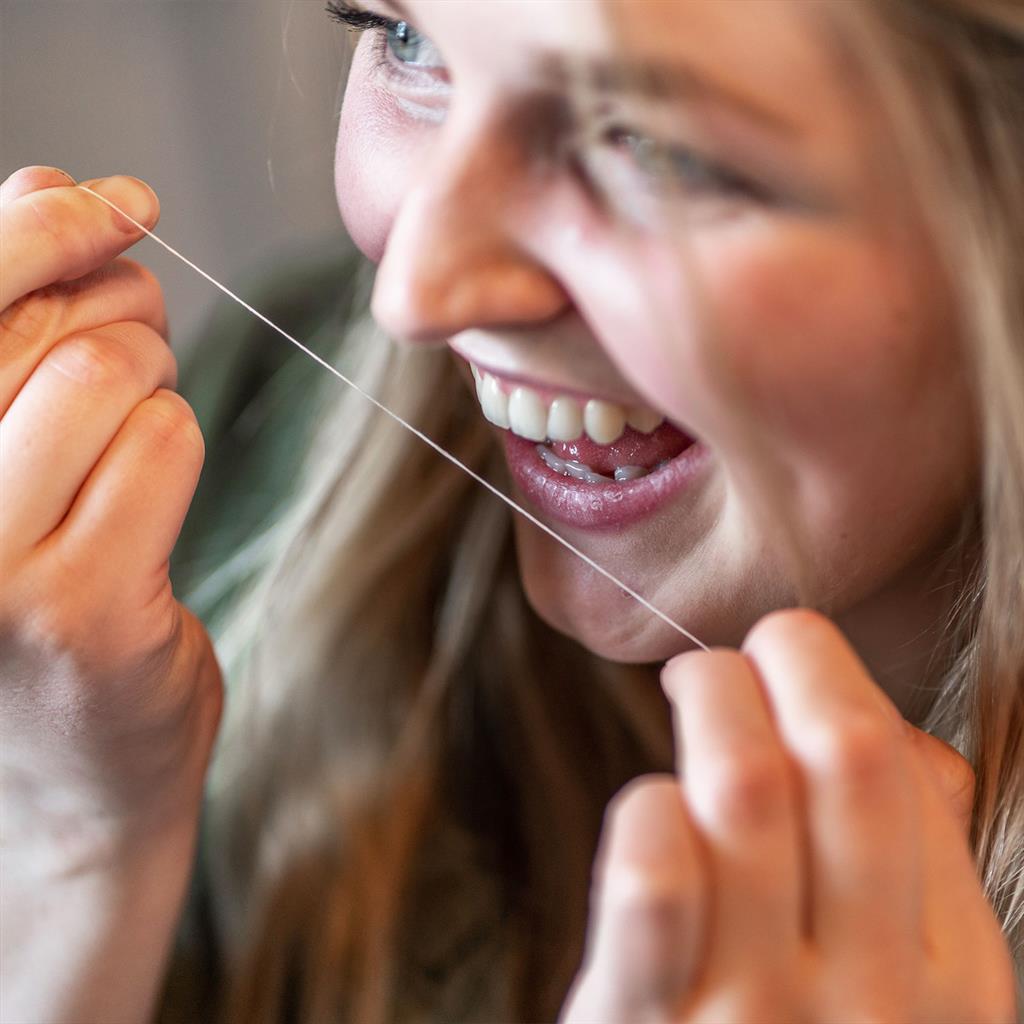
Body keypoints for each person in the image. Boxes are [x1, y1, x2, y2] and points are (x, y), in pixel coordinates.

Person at [2, 0, 1021, 1021]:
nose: (412, 293)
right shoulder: (208, 460)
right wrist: (72, 844)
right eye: (405, 40)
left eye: (649, 140)